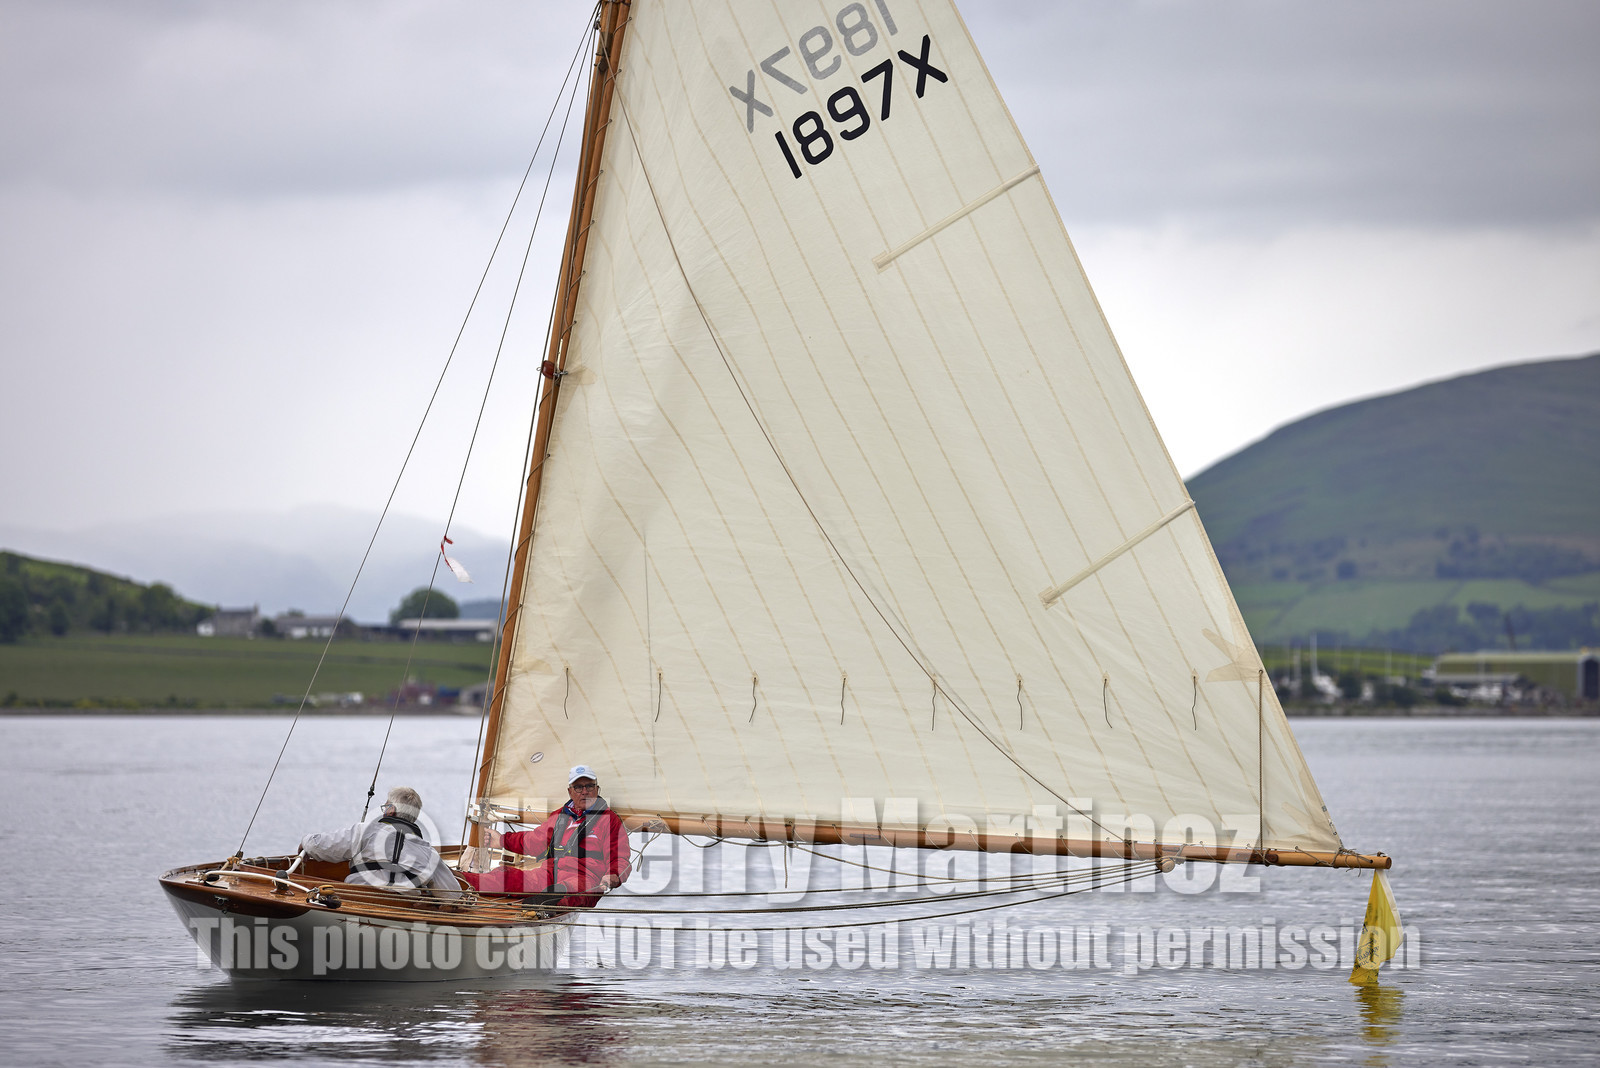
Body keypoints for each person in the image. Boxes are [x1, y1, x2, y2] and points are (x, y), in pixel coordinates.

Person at [459, 765, 631, 907]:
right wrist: (502, 840)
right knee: (505, 877)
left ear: (597, 789)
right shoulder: (559, 817)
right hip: (549, 873)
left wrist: (613, 875)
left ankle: (546, 903)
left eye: (589, 786)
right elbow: (533, 841)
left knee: (570, 891)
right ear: (570, 791)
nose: (584, 791)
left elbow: (620, 858)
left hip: (585, 877)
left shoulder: (610, 820)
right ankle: (454, 880)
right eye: (578, 787)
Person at [300, 785, 459, 893]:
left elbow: (322, 846)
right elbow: (453, 894)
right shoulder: (427, 851)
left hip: (359, 899)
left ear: (390, 810)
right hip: (403, 909)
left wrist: (305, 843)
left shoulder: (366, 831)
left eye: (385, 806)